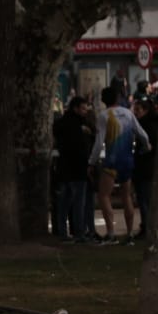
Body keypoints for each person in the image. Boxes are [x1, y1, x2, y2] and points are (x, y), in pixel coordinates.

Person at [90, 84, 150, 245]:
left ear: (104, 100)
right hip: (127, 160)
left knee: (104, 195)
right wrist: (146, 146)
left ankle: (111, 233)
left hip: (112, 161)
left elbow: (98, 143)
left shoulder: (104, 116)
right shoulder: (128, 114)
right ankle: (130, 234)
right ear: (118, 98)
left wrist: (91, 162)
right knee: (127, 196)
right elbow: (142, 134)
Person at [53, 97, 94, 243]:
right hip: (78, 167)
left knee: (64, 202)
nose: (85, 111)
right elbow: (82, 146)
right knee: (78, 202)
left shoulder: (62, 124)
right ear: (76, 108)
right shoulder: (80, 125)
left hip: (64, 167)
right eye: (83, 108)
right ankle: (79, 232)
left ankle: (62, 231)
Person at [132, 97, 158, 241]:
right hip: (146, 167)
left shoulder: (146, 126)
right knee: (145, 199)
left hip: (145, 167)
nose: (135, 113)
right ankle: (147, 226)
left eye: (138, 110)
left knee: (145, 200)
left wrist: (143, 152)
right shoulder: (151, 124)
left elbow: (150, 146)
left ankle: (147, 227)